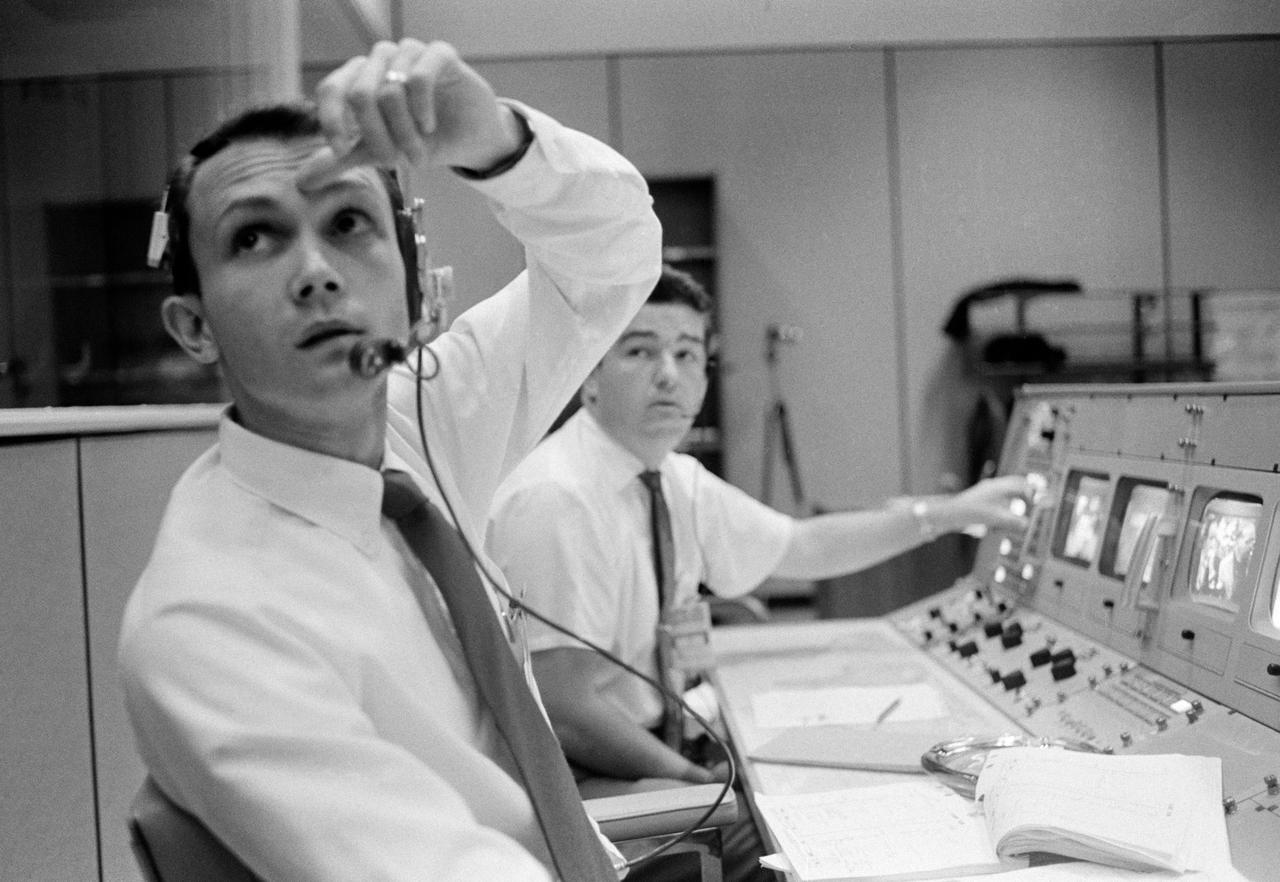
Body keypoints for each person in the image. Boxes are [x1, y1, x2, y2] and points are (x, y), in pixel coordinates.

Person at [117, 37, 661, 882]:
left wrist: (495, 144)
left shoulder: (423, 423)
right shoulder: (209, 619)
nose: (315, 273)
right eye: (255, 238)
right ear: (194, 328)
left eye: (348, 224)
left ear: (416, 295)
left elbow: (611, 263)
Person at [485, 265, 1030, 881]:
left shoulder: (672, 477)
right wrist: (695, 779)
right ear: (588, 378)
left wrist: (945, 514)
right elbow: (564, 706)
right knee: (791, 845)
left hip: (641, 750)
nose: (669, 375)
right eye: (639, 351)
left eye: (688, 354)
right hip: (572, 787)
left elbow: (803, 546)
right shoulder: (559, 499)